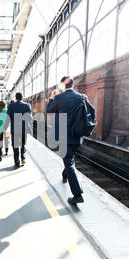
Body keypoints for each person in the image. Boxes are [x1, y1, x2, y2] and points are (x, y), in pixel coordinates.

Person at [47, 76, 86, 205]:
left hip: (64, 136)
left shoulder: (59, 98)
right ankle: (65, 175)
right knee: (69, 158)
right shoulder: (82, 97)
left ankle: (77, 194)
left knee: (69, 162)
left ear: (63, 86)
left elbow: (50, 111)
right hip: (77, 134)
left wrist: (52, 98)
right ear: (73, 85)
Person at [6, 92, 32, 168]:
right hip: (24, 129)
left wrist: (6, 127)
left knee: (15, 146)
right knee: (23, 144)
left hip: (15, 129)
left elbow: (8, 118)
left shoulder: (11, 106)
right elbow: (29, 117)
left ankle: (17, 162)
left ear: (16, 98)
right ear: (22, 98)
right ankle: (23, 158)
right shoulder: (27, 105)